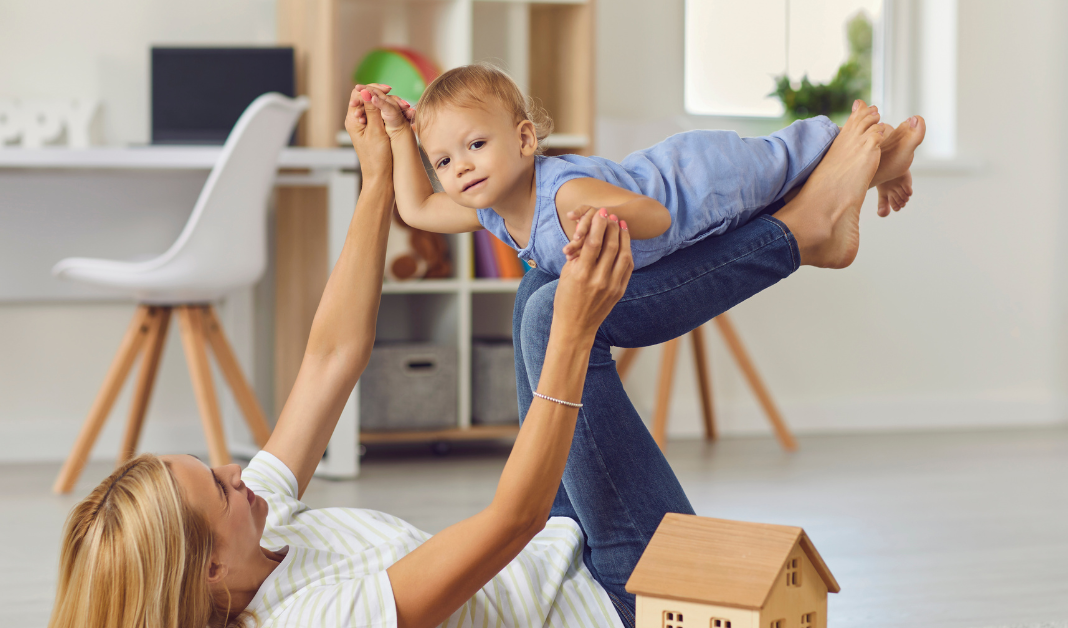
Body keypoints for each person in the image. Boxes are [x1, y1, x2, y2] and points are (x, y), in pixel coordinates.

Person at [49, 76, 887, 628]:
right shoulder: (308, 620)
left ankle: (798, 233)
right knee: (551, 308)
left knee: (537, 296)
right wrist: (573, 335)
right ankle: (796, 233)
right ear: (205, 577)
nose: (239, 470)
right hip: (614, 600)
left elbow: (333, 356)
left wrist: (378, 178)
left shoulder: (258, 534)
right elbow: (510, 519)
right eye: (222, 488)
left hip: (560, 546)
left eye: (214, 464)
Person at [363, 62, 924, 276]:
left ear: (525, 139)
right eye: (442, 161)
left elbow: (654, 216)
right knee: (786, 195)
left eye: (475, 144)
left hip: (700, 178)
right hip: (690, 199)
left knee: (783, 163)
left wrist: (598, 226)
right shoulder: (491, 211)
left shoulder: (564, 196)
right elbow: (414, 208)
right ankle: (875, 170)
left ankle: (875, 148)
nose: (460, 168)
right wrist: (394, 133)